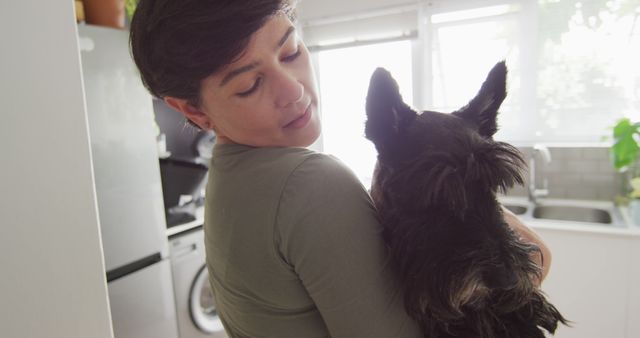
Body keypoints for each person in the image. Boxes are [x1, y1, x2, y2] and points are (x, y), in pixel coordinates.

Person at [129, 1, 552, 337]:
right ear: (192, 110)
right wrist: (534, 249)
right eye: (249, 84)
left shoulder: (229, 179)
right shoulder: (311, 184)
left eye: (290, 51)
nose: (293, 91)